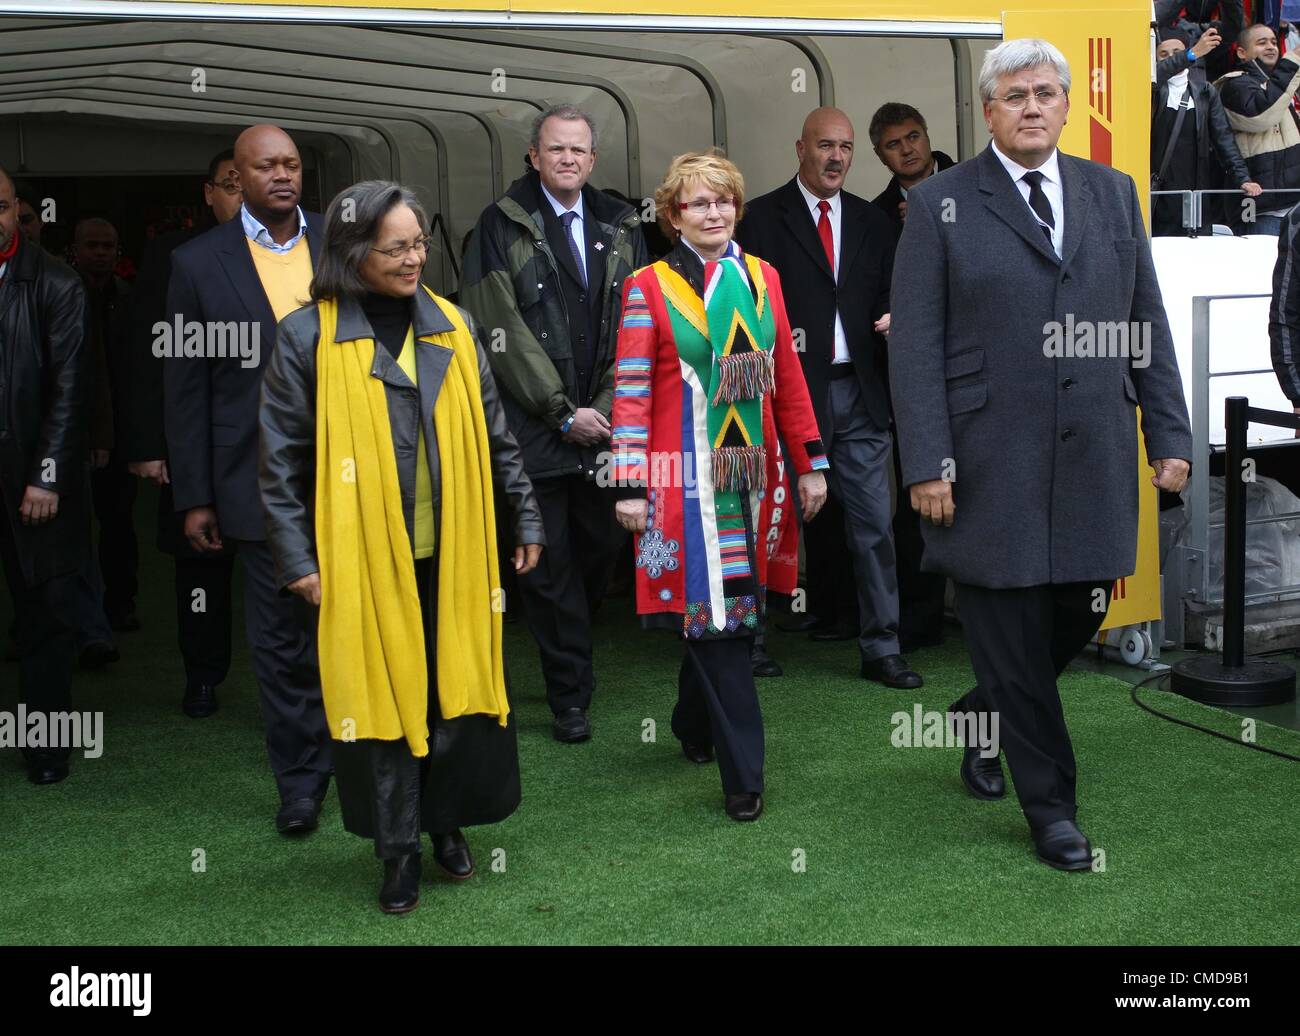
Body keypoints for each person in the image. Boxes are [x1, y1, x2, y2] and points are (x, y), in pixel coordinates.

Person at [889, 39, 1193, 870]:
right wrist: (926, 462)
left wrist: (1168, 432)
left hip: (1092, 452)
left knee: (1079, 610)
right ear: (989, 111)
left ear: (1066, 106)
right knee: (1013, 632)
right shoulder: (943, 203)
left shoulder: (1112, 191)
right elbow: (913, 344)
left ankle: (978, 713)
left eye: (1047, 93)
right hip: (986, 464)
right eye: (1015, 94)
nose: (1033, 106)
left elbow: (1145, 321)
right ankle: (1052, 809)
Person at [260, 180, 543, 913]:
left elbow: (495, 433)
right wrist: (298, 562)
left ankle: (446, 826)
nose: (416, 257)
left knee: (450, 691)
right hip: (357, 562)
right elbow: (280, 462)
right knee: (384, 701)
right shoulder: (304, 337)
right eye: (397, 247)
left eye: (419, 242)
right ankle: (396, 852)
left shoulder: (451, 323)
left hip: (453, 553)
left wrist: (527, 518)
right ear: (353, 253)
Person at [609, 150, 829, 821]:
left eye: (723, 200)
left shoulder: (762, 278)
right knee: (721, 623)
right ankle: (745, 778)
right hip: (683, 484)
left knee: (728, 613)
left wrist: (811, 459)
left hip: (751, 478)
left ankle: (691, 721)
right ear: (674, 215)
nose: (713, 213)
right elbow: (633, 391)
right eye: (698, 203)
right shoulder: (647, 287)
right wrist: (628, 482)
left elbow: (786, 373)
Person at [460, 104, 649, 744]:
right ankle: (570, 695)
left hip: (604, 428)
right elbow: (497, 327)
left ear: (593, 160)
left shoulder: (622, 224)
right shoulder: (498, 224)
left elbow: (636, 322)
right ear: (533, 158)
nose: (567, 159)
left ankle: (575, 649)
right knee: (549, 566)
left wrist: (603, 406)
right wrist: (562, 411)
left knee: (599, 552)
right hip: (536, 430)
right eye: (555, 150)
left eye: (578, 151)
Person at [164, 125, 331, 834]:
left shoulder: (345, 238)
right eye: (265, 167)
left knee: (355, 622)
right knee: (280, 640)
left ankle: (366, 756)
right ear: (236, 176)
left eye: (291, 163)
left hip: (355, 474)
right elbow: (186, 387)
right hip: (254, 481)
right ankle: (299, 782)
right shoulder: (197, 263)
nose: (282, 176)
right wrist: (195, 495)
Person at [737, 109, 922, 689]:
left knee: (874, 527)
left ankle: (882, 648)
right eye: (825, 145)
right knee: (768, 520)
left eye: (845, 147)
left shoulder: (874, 222)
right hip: (787, 398)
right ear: (801, 148)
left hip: (861, 396)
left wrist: (899, 317)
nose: (837, 157)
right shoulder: (761, 219)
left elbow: (895, 292)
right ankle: (751, 642)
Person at [126, 149, 242, 718]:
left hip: (272, 442)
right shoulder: (173, 255)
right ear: (209, 193)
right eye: (231, 184)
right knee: (200, 564)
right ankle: (202, 674)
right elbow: (151, 355)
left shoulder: (301, 249)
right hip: (194, 438)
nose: (243, 194)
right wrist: (149, 444)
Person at [0, 165, 92, 784]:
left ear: (16, 211)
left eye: (0, 205)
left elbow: (70, 389)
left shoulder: (56, 282)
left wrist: (47, 476)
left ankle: (46, 745)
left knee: (45, 612)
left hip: (29, 477)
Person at [72, 216, 140, 632]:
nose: (100, 253)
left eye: (108, 246)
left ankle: (120, 604)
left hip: (120, 427)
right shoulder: (60, 291)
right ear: (76, 250)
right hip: (71, 428)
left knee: (118, 522)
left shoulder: (129, 298)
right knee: (72, 527)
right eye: (93, 245)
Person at [1152, 29, 1261, 237]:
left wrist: (1242, 178)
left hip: (1196, 191)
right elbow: (1154, 76)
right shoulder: (1152, 91)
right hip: (1159, 192)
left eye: (1177, 52)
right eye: (1164, 54)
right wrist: (1190, 54)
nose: (1173, 58)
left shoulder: (1204, 91)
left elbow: (1224, 139)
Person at [1215, 23, 1300, 235]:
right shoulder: (1234, 85)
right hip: (1259, 207)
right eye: (1261, 43)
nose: (1271, 47)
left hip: (1292, 202)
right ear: (1242, 52)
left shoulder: (1279, 85)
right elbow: (1261, 115)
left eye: (1273, 42)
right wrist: (1292, 62)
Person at [868, 103, 957, 232]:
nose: (906, 150)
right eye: (893, 144)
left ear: (927, 136)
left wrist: (933, 218)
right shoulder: (876, 217)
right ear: (880, 155)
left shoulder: (973, 182)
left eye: (913, 137)